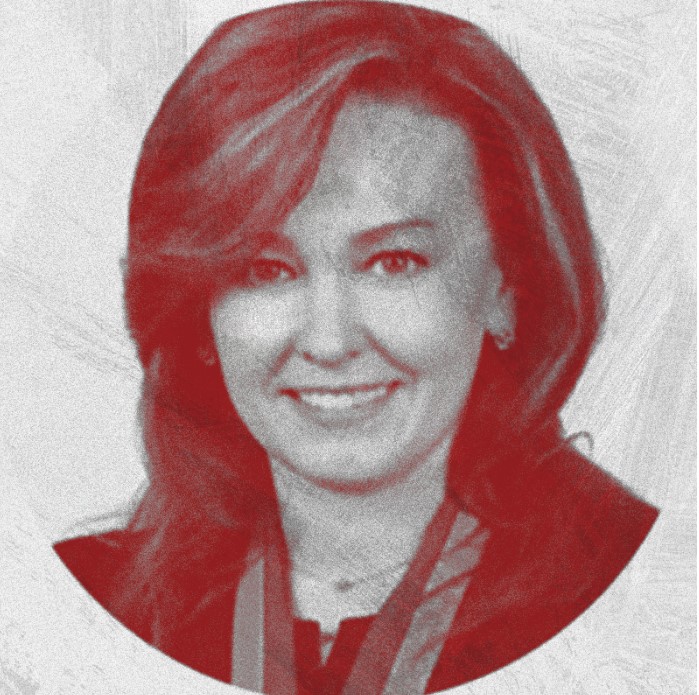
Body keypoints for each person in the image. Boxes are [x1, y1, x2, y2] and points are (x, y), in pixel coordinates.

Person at [54, 3, 659, 693]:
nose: (329, 340)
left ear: (508, 287)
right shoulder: (74, 611)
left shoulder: (645, 601)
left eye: (394, 262)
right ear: (198, 313)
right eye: (265, 269)